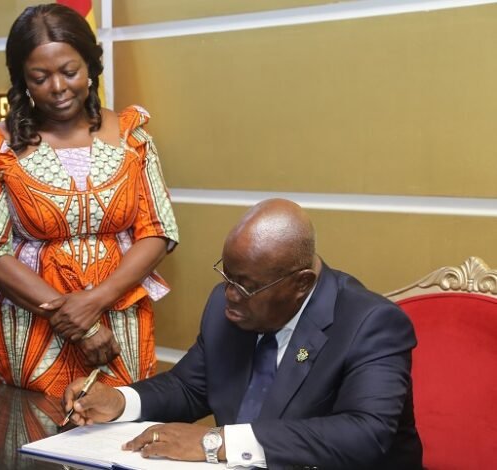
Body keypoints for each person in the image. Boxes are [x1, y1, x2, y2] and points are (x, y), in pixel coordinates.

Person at [63, 199, 423, 469]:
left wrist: (217, 442)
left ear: (301, 285)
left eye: (246, 286)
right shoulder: (229, 307)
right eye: (227, 276)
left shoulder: (370, 323)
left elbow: (364, 433)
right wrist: (121, 402)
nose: (229, 295)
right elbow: (190, 387)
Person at [0, 3, 179, 398]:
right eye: (40, 77)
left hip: (120, 321)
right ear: (23, 80)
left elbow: (158, 231)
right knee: (35, 438)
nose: (59, 87)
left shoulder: (132, 136)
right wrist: (82, 324)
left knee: (120, 434)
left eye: (69, 71)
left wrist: (96, 302)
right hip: (35, 328)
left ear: (91, 67)